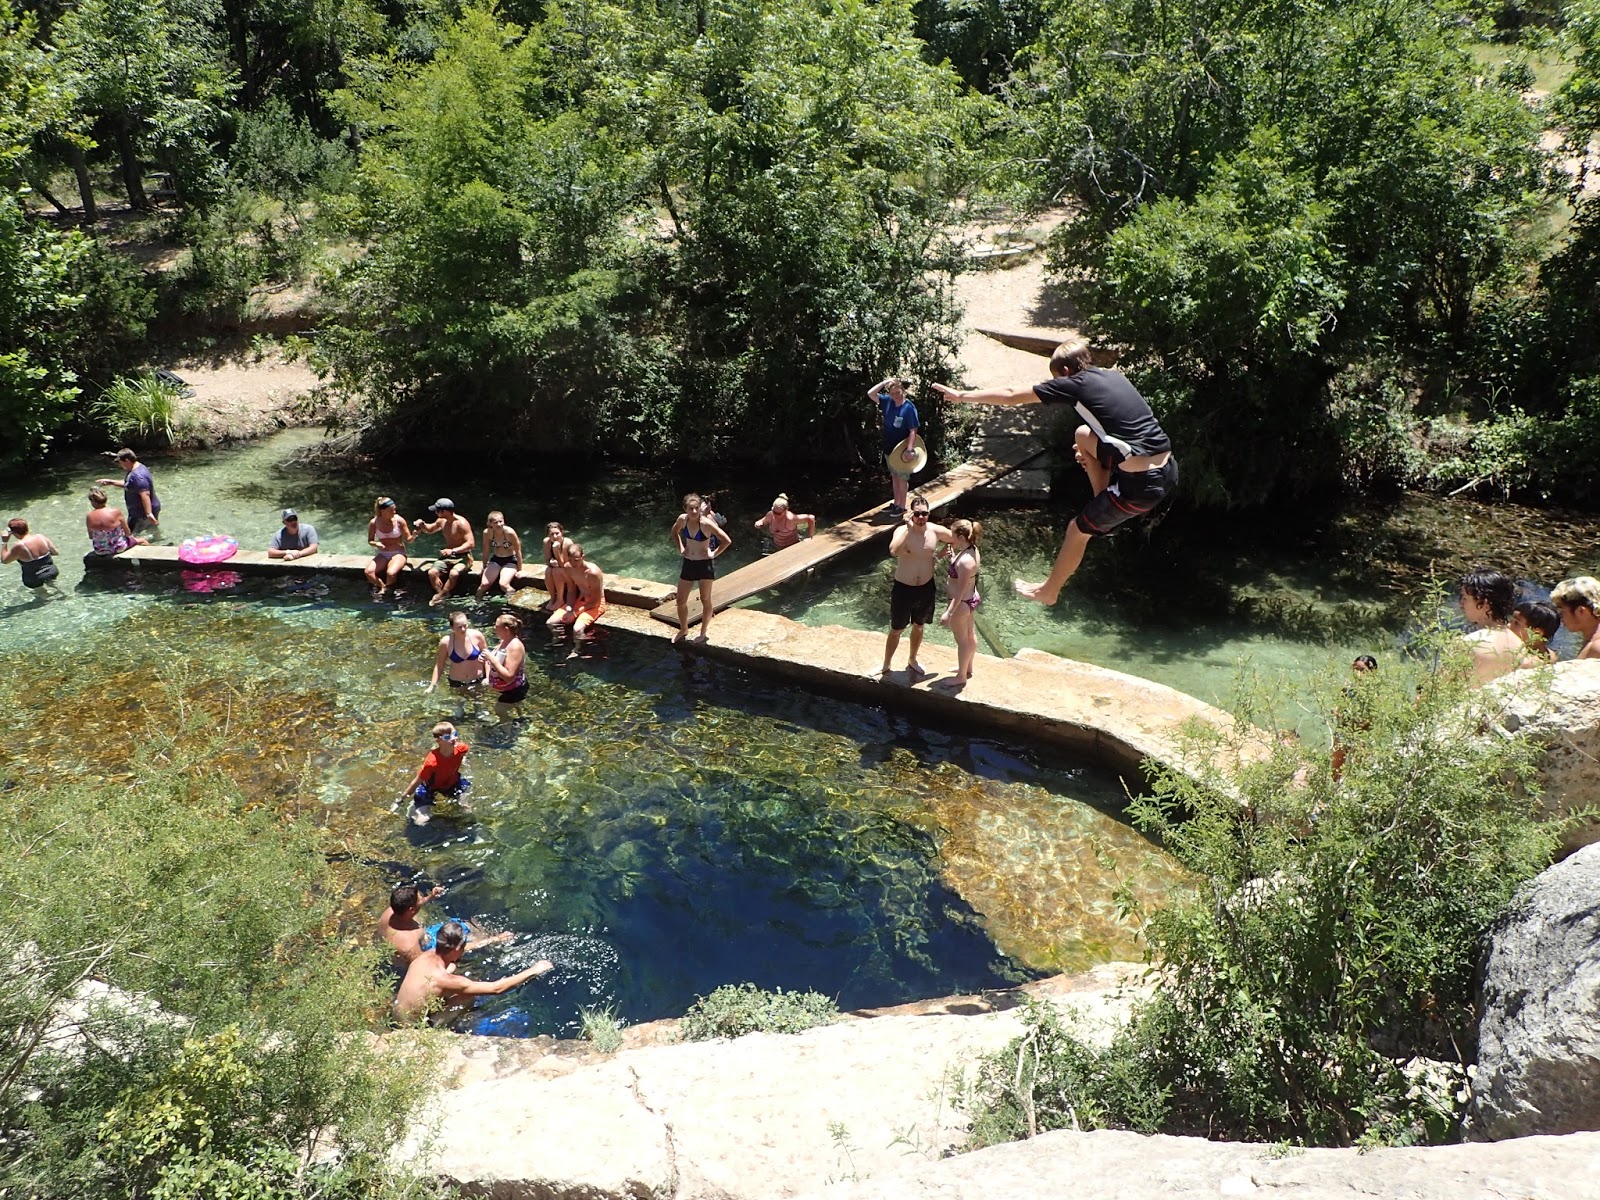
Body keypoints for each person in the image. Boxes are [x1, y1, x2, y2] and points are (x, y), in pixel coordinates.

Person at [933, 341, 1176, 606]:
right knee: (1082, 436)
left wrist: (962, 395)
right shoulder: (1113, 375)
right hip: (1168, 467)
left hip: (1140, 486)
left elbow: (1012, 394)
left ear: (1065, 370)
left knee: (1076, 530)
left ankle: (1050, 591)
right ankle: (1101, 501)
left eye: (1055, 379)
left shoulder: (1074, 383)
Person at [392, 922, 553, 1026]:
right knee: (467, 996)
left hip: (396, 1014)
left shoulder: (425, 955)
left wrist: (495, 939)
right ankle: (458, 1024)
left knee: (453, 981)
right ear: (457, 949)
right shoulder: (443, 979)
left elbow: (461, 950)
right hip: (412, 1029)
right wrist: (534, 969)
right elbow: (496, 989)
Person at [879, 494, 953, 679]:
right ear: (911, 514)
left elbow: (957, 538)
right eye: (917, 514)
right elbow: (893, 551)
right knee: (896, 629)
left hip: (926, 588)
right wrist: (909, 530)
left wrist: (944, 555)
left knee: (919, 626)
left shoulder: (935, 531)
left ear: (929, 514)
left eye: (925, 514)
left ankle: (912, 659)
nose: (921, 518)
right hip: (904, 588)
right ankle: (886, 664)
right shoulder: (902, 532)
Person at [378, 883, 511, 968]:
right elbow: (432, 962)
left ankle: (486, 936)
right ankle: (495, 940)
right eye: (420, 899)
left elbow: (412, 905)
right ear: (411, 909)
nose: (423, 900)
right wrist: (492, 940)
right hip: (428, 950)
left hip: (427, 936)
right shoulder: (408, 944)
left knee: (464, 925)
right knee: (469, 939)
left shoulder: (392, 911)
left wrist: (431, 897)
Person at [672, 492, 731, 643]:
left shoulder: (706, 523)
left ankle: (703, 633)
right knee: (680, 600)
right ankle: (683, 629)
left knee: (705, 599)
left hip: (704, 564)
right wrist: (680, 548)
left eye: (696, 508)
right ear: (685, 508)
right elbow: (674, 532)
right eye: (690, 508)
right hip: (689, 563)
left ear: (700, 508)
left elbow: (726, 540)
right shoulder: (682, 519)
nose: (693, 511)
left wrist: (714, 554)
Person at [1457, 568, 1532, 686]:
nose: (1461, 603)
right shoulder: (1520, 645)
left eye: (1465, 598)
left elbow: (1437, 691)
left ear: (1484, 604)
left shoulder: (1468, 644)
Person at [937, 519, 983, 691]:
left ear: (961, 537)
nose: (950, 536)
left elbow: (960, 591)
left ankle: (961, 677)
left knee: (962, 640)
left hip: (962, 603)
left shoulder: (965, 562)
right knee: (970, 635)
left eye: (953, 533)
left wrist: (948, 612)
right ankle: (967, 667)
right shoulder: (971, 550)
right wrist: (951, 559)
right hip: (971, 599)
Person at [401, 721, 471, 826]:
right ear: (438, 740)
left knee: (467, 810)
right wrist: (401, 799)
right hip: (430, 787)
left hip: (452, 782)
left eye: (455, 734)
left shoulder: (462, 749)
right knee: (422, 820)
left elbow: (462, 755)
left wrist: (462, 761)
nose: (453, 739)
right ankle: (415, 808)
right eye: (447, 737)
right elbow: (416, 781)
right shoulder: (432, 762)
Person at [871, 377, 920, 513]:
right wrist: (884, 382)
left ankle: (902, 507)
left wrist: (910, 449)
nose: (896, 396)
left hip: (903, 449)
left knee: (902, 477)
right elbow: (871, 394)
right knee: (894, 476)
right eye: (893, 394)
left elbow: (913, 430)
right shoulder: (887, 402)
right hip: (889, 447)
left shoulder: (909, 408)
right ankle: (896, 503)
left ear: (902, 391)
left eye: (898, 393)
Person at [416, 498, 475, 606]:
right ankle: (441, 594)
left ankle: (441, 595)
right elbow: (430, 530)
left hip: (463, 556)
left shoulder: (461, 523)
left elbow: (470, 544)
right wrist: (422, 525)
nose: (435, 512)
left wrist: (453, 551)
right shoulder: (442, 521)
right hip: (448, 557)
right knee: (432, 572)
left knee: (454, 573)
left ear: (445, 511)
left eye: (437, 510)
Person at [554, 542, 606, 645]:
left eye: (576, 560)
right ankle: (558, 641)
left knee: (577, 629)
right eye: (571, 560)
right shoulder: (568, 567)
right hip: (580, 600)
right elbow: (571, 590)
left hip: (595, 603)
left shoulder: (592, 573)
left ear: (583, 557)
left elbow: (596, 601)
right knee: (551, 622)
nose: (573, 563)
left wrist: (574, 613)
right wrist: (569, 607)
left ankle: (578, 649)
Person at [96, 449, 160, 534]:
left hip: (141, 513)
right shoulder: (139, 467)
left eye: (120, 462)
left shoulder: (137, 475)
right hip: (147, 509)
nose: (120, 465)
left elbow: (145, 494)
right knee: (151, 531)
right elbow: (130, 484)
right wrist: (111, 482)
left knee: (130, 535)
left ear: (127, 460)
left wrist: (148, 513)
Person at [428, 610, 488, 693]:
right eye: (459, 627)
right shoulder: (446, 642)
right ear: (452, 627)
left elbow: (488, 658)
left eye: (465, 625)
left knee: (478, 705)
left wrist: (487, 677)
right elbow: (439, 665)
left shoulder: (477, 636)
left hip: (477, 680)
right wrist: (432, 685)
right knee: (458, 705)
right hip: (457, 682)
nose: (463, 629)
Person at [365, 496, 413, 597]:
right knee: (368, 572)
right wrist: (376, 544)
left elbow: (409, 540)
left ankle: (389, 593)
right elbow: (370, 541)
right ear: (383, 511)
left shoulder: (399, 520)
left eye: (395, 509)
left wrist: (415, 534)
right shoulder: (374, 522)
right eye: (391, 510)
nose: (394, 512)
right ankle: (382, 587)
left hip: (398, 552)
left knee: (391, 573)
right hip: (383, 553)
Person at [85, 487, 150, 557]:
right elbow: (128, 532)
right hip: (118, 547)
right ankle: (152, 557)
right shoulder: (116, 512)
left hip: (100, 550)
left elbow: (91, 536)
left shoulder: (89, 516)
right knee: (143, 540)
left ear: (93, 502)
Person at [476, 511, 523, 600]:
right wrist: (484, 566)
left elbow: (518, 551)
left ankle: (514, 602)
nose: (499, 524)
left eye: (500, 521)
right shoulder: (487, 533)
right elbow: (486, 550)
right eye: (496, 522)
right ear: (490, 523)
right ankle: (476, 604)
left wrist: (520, 570)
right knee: (484, 585)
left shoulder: (510, 532)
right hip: (496, 559)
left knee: (503, 584)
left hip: (510, 560)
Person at [2, 519, 60, 590]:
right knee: (53, 585)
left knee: (43, 597)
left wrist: (4, 542)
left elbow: (4, 560)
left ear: (13, 532)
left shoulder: (19, 546)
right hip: (52, 571)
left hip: (34, 578)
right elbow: (56, 553)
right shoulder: (41, 537)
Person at [1551, 576, 1600, 660]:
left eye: (1562, 611)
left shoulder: (1597, 648)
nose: (1560, 617)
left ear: (1581, 611)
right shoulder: (1591, 642)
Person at [484, 612, 529, 705]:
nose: (494, 628)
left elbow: (509, 677)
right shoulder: (503, 641)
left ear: (506, 630)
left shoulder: (515, 647)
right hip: (502, 688)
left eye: (496, 626)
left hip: (513, 690)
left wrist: (491, 659)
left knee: (500, 712)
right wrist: (488, 677)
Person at [1511, 601, 1560, 667]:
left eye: (1516, 623)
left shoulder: (1527, 663)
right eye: (1511, 620)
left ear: (1537, 633)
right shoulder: (1552, 655)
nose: (1508, 625)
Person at [542, 522, 576, 611]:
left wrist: (556, 551)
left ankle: (560, 599)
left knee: (557, 571)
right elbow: (547, 560)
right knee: (548, 570)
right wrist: (551, 562)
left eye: (557, 533)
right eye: (551, 534)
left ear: (562, 533)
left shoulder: (567, 543)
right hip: (558, 569)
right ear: (548, 535)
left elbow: (565, 565)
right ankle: (553, 597)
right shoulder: (547, 542)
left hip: (570, 571)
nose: (555, 536)